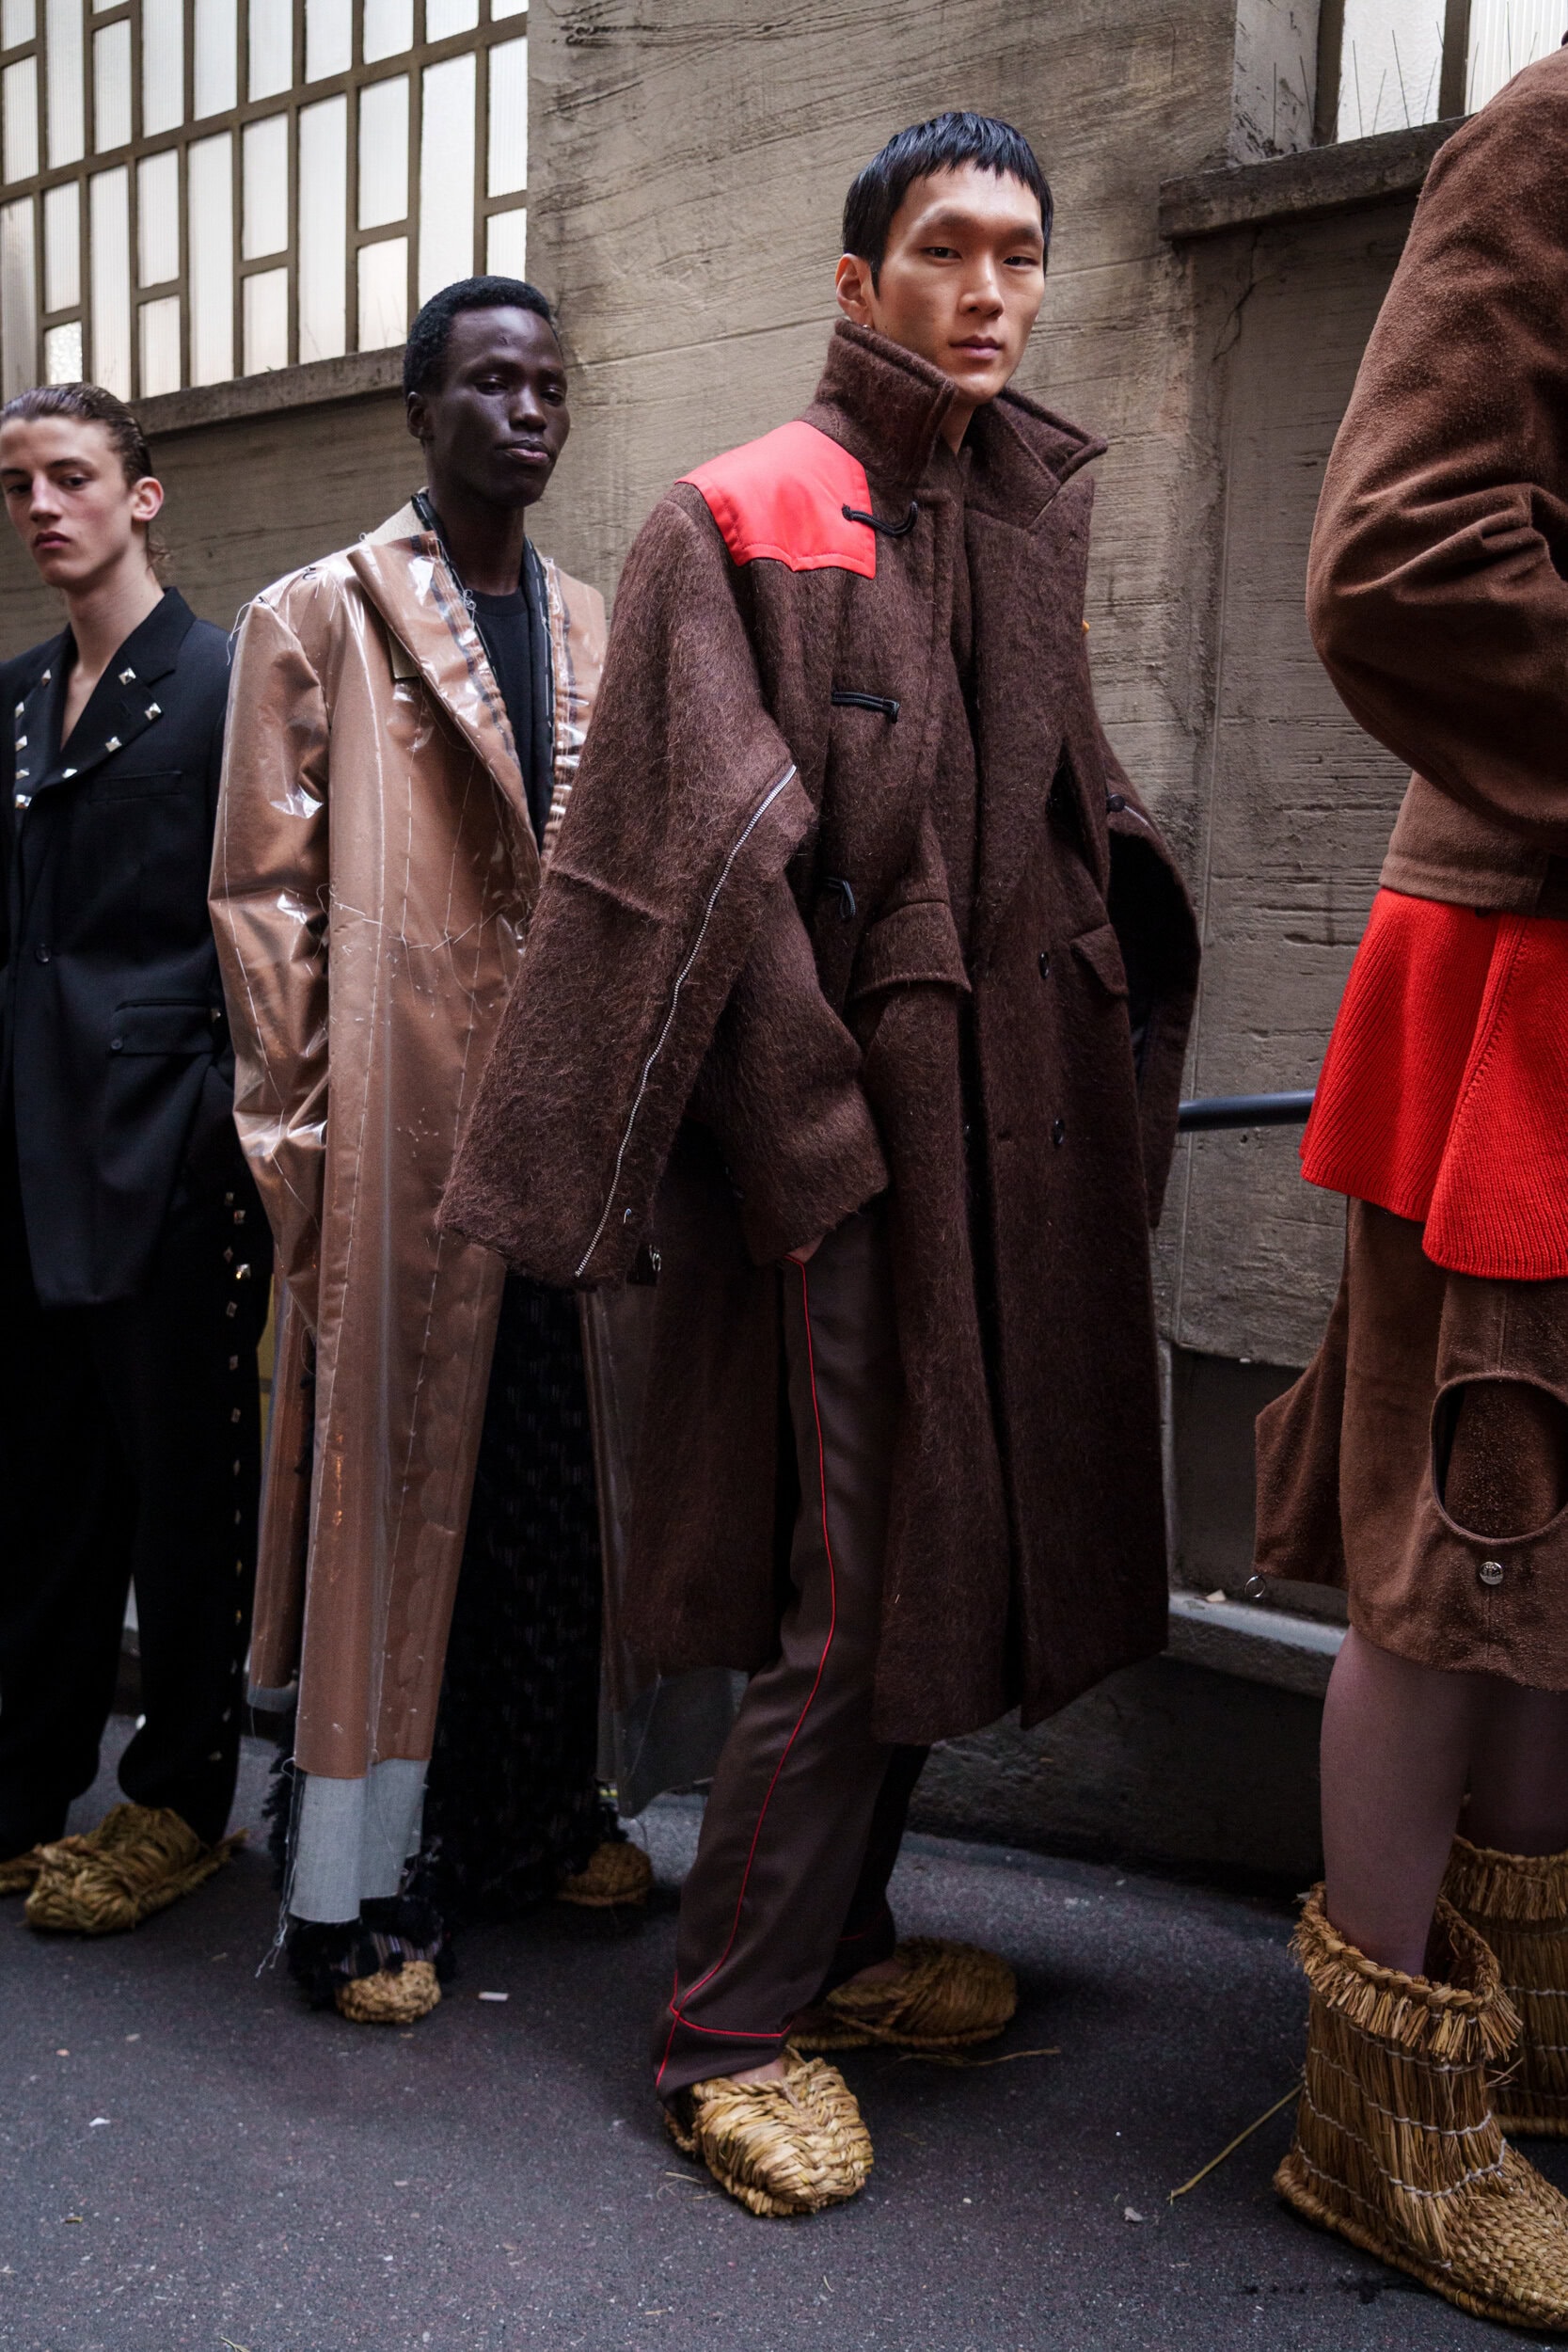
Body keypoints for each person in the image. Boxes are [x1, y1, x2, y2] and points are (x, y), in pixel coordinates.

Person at [443, 115, 1199, 2213]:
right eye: (943, 250)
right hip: (852, 1140)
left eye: (1019, 254)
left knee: (954, 1540)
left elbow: (1057, 807)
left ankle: (841, 1949)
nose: (988, 289)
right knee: (856, 1580)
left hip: (1003, 1134)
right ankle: (726, 2031)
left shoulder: (1022, 507)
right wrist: (819, 1144)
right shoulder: (746, 509)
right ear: (856, 284)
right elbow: (700, 860)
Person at [212, 277, 649, 2027]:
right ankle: (358, 1890)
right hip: (395, 1141)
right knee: (392, 1512)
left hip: (555, 1151)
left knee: (547, 1485)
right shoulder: (313, 617)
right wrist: (306, 1151)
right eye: (487, 382)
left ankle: (531, 1816)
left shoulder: (599, 622)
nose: (525, 410)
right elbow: (263, 912)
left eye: (547, 382)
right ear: (418, 408)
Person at [1255, 46, 1568, 2331]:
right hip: (1522, 967)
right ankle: (1381, 2123)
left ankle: (1524, 2045)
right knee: (1459, 1534)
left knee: (1555, 1544)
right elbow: (1398, 552)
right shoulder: (1562, 125)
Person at [0, 382, 270, 1933]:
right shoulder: (23, 700)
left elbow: (269, 936)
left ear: (145, 495)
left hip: (169, 1158)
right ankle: (26, 1787)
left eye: (75, 478)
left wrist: (231, 1129)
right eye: (21, 485)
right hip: (32, 1155)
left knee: (183, 1497)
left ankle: (178, 1797)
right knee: (40, 1495)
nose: (44, 507)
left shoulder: (228, 684)